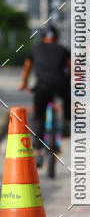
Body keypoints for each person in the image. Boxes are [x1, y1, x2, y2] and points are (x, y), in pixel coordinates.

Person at [18, 25, 71, 167]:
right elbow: (71, 67)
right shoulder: (63, 49)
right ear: (57, 37)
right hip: (60, 84)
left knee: (39, 117)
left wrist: (24, 82)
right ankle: (66, 122)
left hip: (42, 87)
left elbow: (27, 67)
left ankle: (37, 152)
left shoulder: (35, 50)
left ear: (42, 38)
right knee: (68, 95)